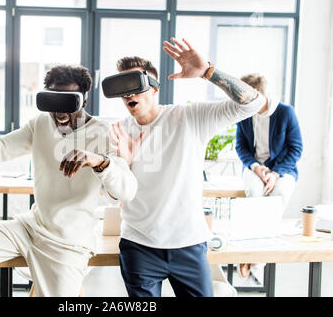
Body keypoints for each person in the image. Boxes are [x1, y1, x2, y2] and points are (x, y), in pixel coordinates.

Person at [0, 65, 137, 297]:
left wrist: (98, 161)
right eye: (54, 102)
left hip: (68, 242)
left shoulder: (104, 132)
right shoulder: (41, 124)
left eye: (68, 103)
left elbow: (128, 190)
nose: (60, 113)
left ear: (83, 101)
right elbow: (4, 146)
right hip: (30, 226)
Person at [109, 37, 266, 297]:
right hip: (139, 245)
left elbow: (253, 103)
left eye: (135, 85)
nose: (128, 94)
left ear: (155, 89)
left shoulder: (189, 118)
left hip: (189, 244)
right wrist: (124, 164)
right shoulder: (117, 133)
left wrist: (208, 72)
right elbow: (114, 195)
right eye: (122, 87)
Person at [235, 73, 303, 278]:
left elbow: (296, 149)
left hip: (282, 169)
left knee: (279, 193)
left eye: (245, 96)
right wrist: (256, 167)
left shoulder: (285, 112)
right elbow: (241, 147)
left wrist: (276, 173)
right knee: (255, 192)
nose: (241, 100)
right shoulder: (244, 113)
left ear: (257, 94)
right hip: (255, 168)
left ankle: (255, 257)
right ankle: (256, 256)